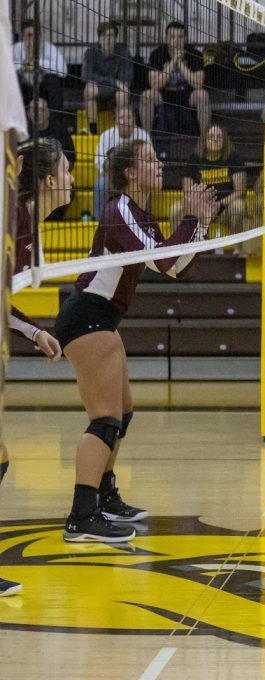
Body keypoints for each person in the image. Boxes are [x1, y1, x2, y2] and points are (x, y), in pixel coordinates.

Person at [55, 140, 218, 542]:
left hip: (103, 318)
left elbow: (176, 268)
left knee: (122, 414)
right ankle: (81, 515)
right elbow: (164, 260)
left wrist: (200, 226)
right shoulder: (120, 211)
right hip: (88, 316)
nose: (158, 163)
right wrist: (191, 220)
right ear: (129, 172)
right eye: (149, 158)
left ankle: (105, 498)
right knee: (105, 420)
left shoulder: (141, 215)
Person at [3, 139, 74, 595]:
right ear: (48, 182)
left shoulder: (26, 226)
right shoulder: (17, 222)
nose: (72, 180)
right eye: (67, 171)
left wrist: (33, 332)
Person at [172, 124, 247, 248]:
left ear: (224, 141)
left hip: (224, 209)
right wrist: (202, 208)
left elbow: (240, 191)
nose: (215, 139)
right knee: (175, 209)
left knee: (239, 206)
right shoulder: (195, 159)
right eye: (211, 136)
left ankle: (238, 250)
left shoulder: (233, 158)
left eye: (219, 136)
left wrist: (219, 204)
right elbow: (187, 191)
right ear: (204, 140)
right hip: (198, 209)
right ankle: (179, 251)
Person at [143, 21, 210, 137]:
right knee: (147, 95)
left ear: (185, 38)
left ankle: (205, 139)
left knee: (202, 95)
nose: (176, 41)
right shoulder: (157, 54)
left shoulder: (195, 54)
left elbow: (198, 84)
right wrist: (173, 61)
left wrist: (181, 64)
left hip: (187, 94)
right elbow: (154, 85)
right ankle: (146, 139)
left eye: (180, 37)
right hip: (163, 95)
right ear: (166, 38)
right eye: (172, 37)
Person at [93, 106, 150, 221]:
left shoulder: (143, 136)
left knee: (146, 183)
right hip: (112, 175)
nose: (125, 121)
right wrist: (112, 171)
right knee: (100, 184)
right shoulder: (106, 136)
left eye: (128, 117)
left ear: (134, 121)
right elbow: (99, 161)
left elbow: (149, 161)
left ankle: (144, 220)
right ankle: (99, 221)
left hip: (136, 176)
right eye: (121, 117)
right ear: (116, 121)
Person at [81, 21, 134, 134]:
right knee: (89, 89)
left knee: (122, 94)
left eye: (111, 36)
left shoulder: (123, 52)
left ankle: (120, 131)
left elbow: (126, 80)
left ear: (115, 38)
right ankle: (93, 130)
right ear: (99, 38)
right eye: (104, 36)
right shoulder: (91, 52)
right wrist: (113, 82)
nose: (108, 39)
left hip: (115, 93)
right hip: (99, 91)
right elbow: (86, 75)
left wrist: (115, 85)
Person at [12, 19, 66, 115]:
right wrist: (25, 64)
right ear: (22, 36)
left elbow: (63, 71)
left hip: (43, 88)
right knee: (14, 80)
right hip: (23, 88)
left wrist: (37, 63)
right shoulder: (16, 49)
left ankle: (55, 121)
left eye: (35, 35)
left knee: (52, 80)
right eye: (28, 36)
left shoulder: (49, 48)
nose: (32, 39)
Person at [25, 96, 75, 167]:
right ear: (28, 113)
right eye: (34, 110)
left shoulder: (61, 132)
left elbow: (71, 160)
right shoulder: (23, 134)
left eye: (42, 110)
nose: (38, 113)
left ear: (48, 112)